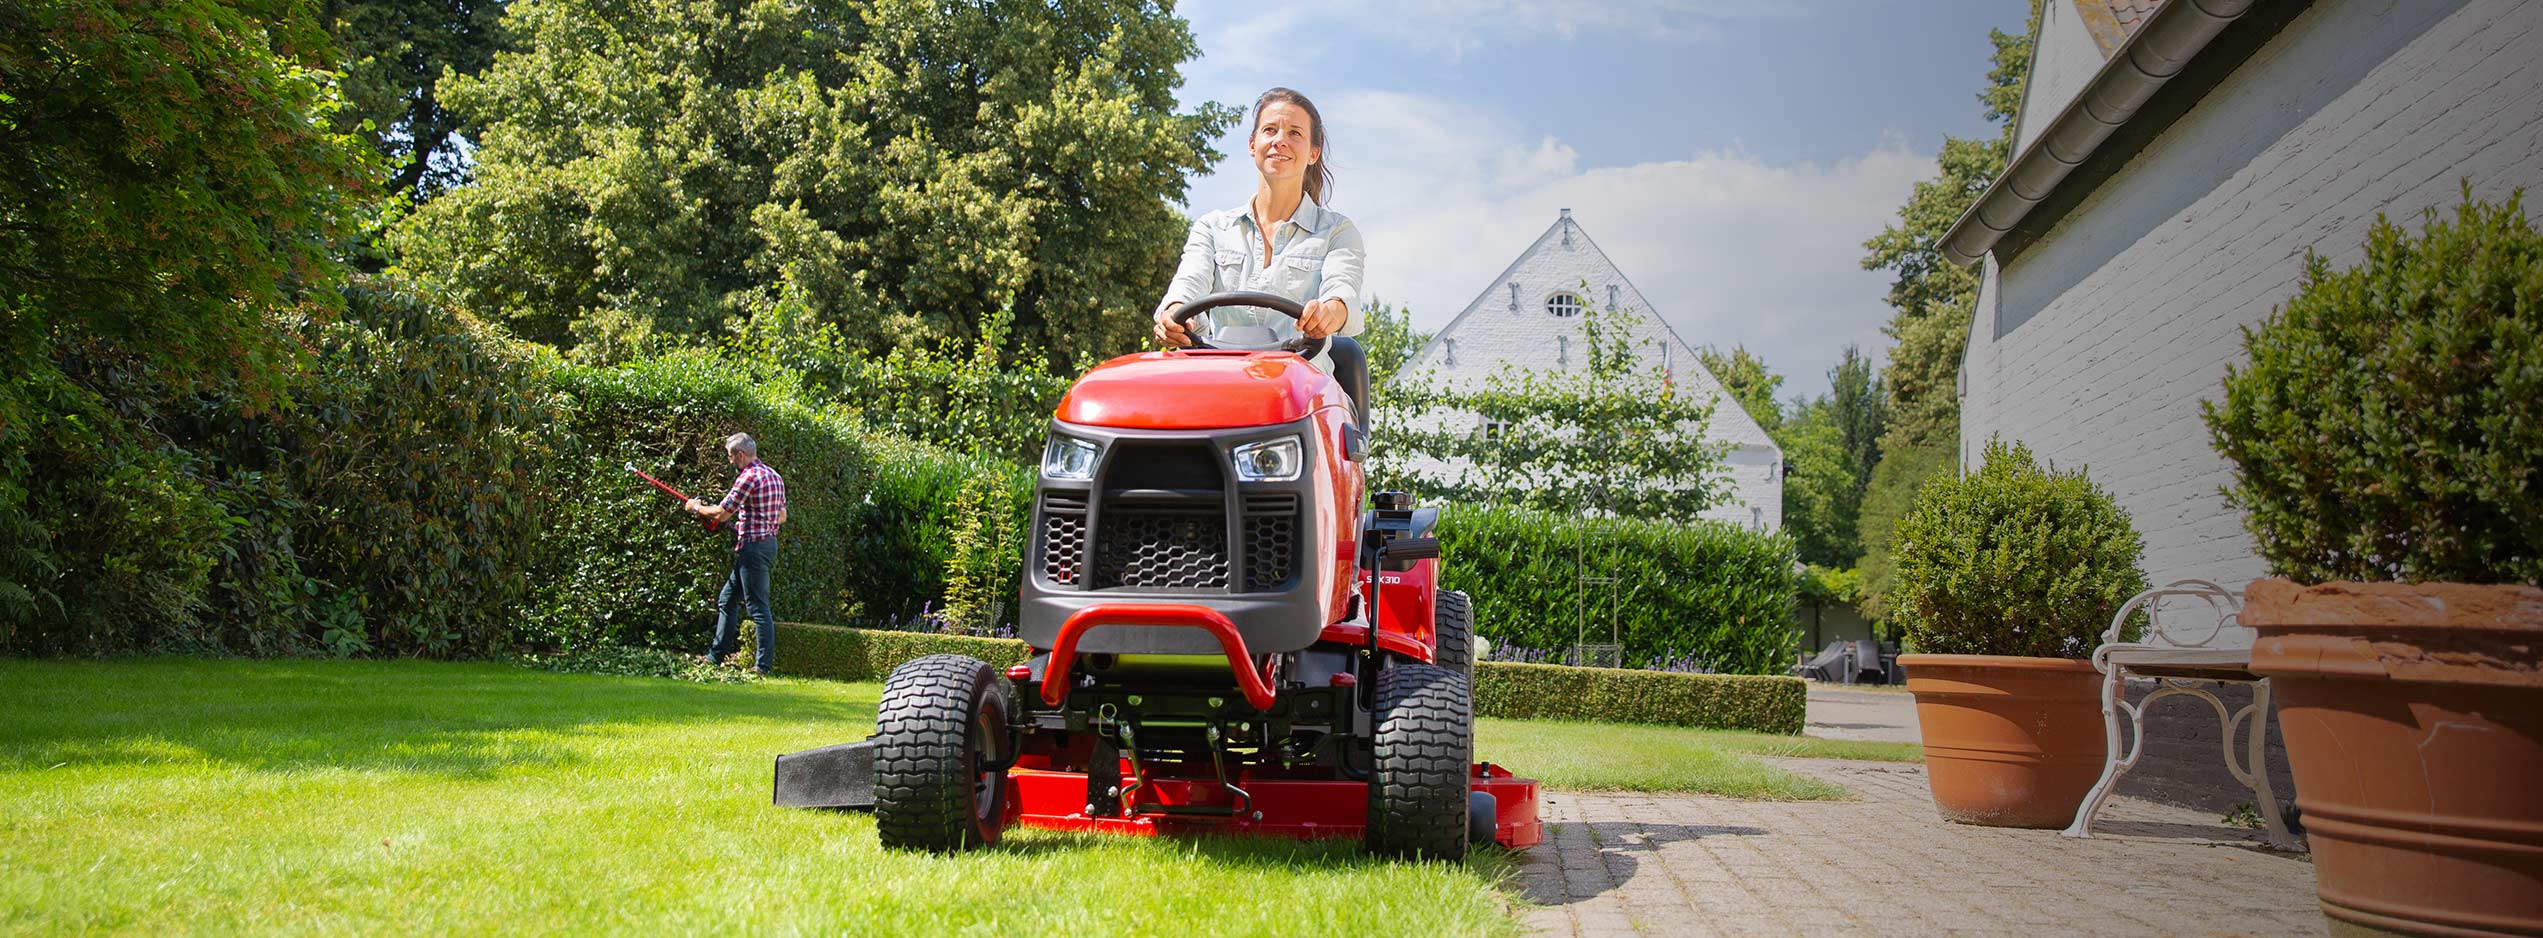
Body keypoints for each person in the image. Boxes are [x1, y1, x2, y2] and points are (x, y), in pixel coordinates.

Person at [1153, 87, 1365, 370]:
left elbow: (1342, 291)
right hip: (1222, 378)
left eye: (1294, 133)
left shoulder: (1337, 232)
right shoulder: (1212, 228)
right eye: (1270, 130)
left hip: (1303, 387)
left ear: (1313, 153)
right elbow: (1187, 285)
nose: (1280, 140)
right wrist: (1173, 313)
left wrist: (1329, 312)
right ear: (1253, 144)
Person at [687, 432, 786, 675]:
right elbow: (782, 516)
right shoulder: (774, 475)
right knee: (727, 599)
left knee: (758, 607)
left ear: (740, 455)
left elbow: (722, 513)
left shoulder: (748, 477)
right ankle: (714, 657)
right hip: (767, 544)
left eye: (731, 457)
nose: (730, 461)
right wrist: (752, 521)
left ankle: (763, 666)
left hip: (753, 547)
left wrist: (696, 507)